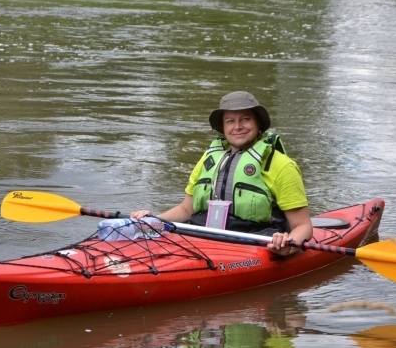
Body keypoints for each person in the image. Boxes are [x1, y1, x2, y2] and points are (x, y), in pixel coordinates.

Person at [131, 91, 312, 256]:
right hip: (203, 236)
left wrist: (287, 246)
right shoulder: (209, 159)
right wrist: (153, 220)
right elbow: (186, 209)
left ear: (258, 124)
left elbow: (303, 226)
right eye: (230, 121)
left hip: (255, 242)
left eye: (245, 119)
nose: (238, 126)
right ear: (223, 128)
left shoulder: (281, 165)